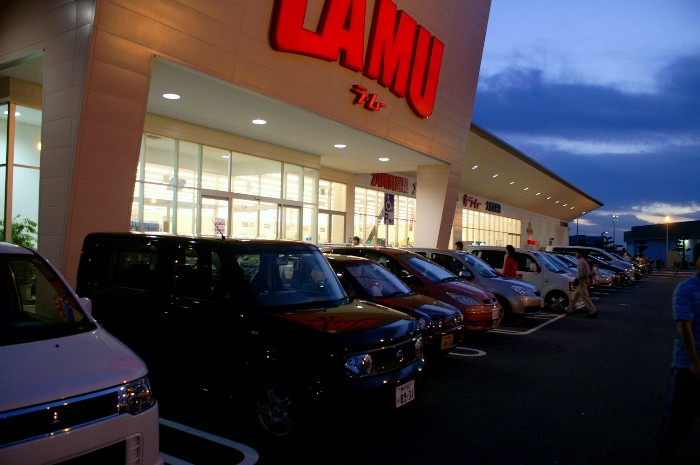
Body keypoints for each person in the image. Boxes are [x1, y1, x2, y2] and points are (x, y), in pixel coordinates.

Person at [655, 243, 700, 464]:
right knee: (680, 415)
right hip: (687, 366)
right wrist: (695, 362)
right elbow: (684, 328)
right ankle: (665, 451)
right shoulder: (686, 289)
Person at [565, 251, 598, 318]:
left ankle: (593, 311)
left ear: (580, 254)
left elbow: (582, 272)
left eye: (576, 253)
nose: (575, 254)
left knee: (585, 298)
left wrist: (578, 279)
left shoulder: (582, 262)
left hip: (581, 282)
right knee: (574, 297)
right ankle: (569, 309)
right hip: (581, 281)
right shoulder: (583, 261)